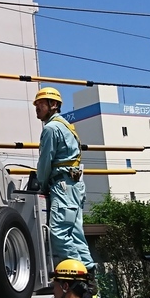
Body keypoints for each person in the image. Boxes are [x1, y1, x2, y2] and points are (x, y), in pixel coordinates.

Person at [33, 87, 94, 267]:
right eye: (36, 104)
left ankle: (77, 276)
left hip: (61, 185)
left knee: (59, 233)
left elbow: (45, 162)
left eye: (41, 104)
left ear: (53, 105)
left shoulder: (51, 129)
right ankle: (89, 274)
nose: (37, 107)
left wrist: (41, 185)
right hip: (74, 185)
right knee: (75, 234)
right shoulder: (66, 126)